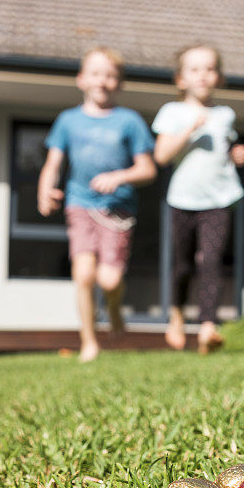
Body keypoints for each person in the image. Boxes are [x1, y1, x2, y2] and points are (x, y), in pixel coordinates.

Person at [37, 46, 156, 362]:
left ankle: (115, 307)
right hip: (79, 204)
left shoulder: (129, 121)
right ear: (81, 79)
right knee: (84, 276)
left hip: (117, 210)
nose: (101, 81)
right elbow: (53, 162)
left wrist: (119, 176)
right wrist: (45, 190)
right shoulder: (68, 120)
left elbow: (148, 168)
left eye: (109, 75)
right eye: (95, 73)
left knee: (109, 280)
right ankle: (89, 342)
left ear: (119, 83)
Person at [152, 44, 244, 354]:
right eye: (195, 70)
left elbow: (228, 148)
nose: (203, 76)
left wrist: (238, 154)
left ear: (218, 76)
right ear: (181, 79)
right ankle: (177, 314)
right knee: (182, 265)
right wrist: (188, 130)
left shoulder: (225, 115)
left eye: (209, 69)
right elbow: (161, 156)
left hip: (219, 199)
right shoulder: (172, 112)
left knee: (210, 260)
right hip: (183, 200)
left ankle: (208, 325)